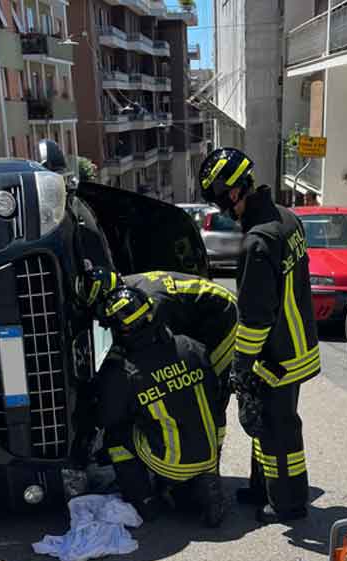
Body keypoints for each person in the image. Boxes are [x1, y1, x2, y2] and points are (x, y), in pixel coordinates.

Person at [199, 147, 319, 524]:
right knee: (263, 419)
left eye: (219, 198)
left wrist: (241, 366)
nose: (220, 208)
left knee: (279, 431)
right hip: (297, 344)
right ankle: (262, 486)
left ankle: (288, 503)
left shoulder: (258, 243)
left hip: (277, 355)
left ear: (233, 192)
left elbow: (254, 318)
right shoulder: (286, 219)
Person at [93, 286, 225, 527]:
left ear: (120, 330)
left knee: (117, 439)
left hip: (169, 461)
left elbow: (108, 418)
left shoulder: (124, 371)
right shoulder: (190, 345)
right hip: (210, 451)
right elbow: (215, 392)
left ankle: (144, 502)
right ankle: (202, 478)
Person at [76, 268, 237, 451]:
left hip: (225, 319)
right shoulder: (130, 291)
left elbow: (152, 352)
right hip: (200, 318)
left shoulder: (151, 302)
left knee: (212, 390)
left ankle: (211, 457)